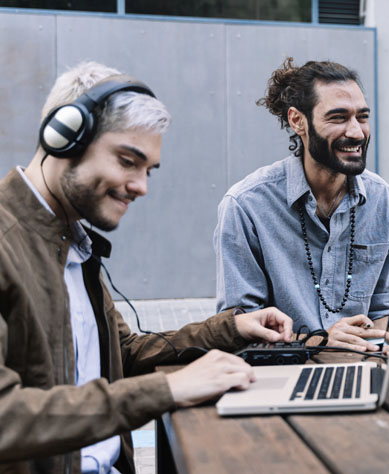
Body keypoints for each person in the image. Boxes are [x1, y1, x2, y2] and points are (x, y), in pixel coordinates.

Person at [0, 62, 295, 473]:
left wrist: (232, 328)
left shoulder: (72, 241)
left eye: (148, 170)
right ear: (65, 136)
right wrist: (167, 389)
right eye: (127, 161)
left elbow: (120, 354)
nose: (141, 186)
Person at [214, 57, 389, 352]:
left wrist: (382, 347)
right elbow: (240, 331)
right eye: (338, 118)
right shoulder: (246, 206)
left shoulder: (385, 203)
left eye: (362, 117)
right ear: (297, 121)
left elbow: (384, 313)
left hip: (363, 362)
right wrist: (319, 343)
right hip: (284, 368)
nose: (356, 132)